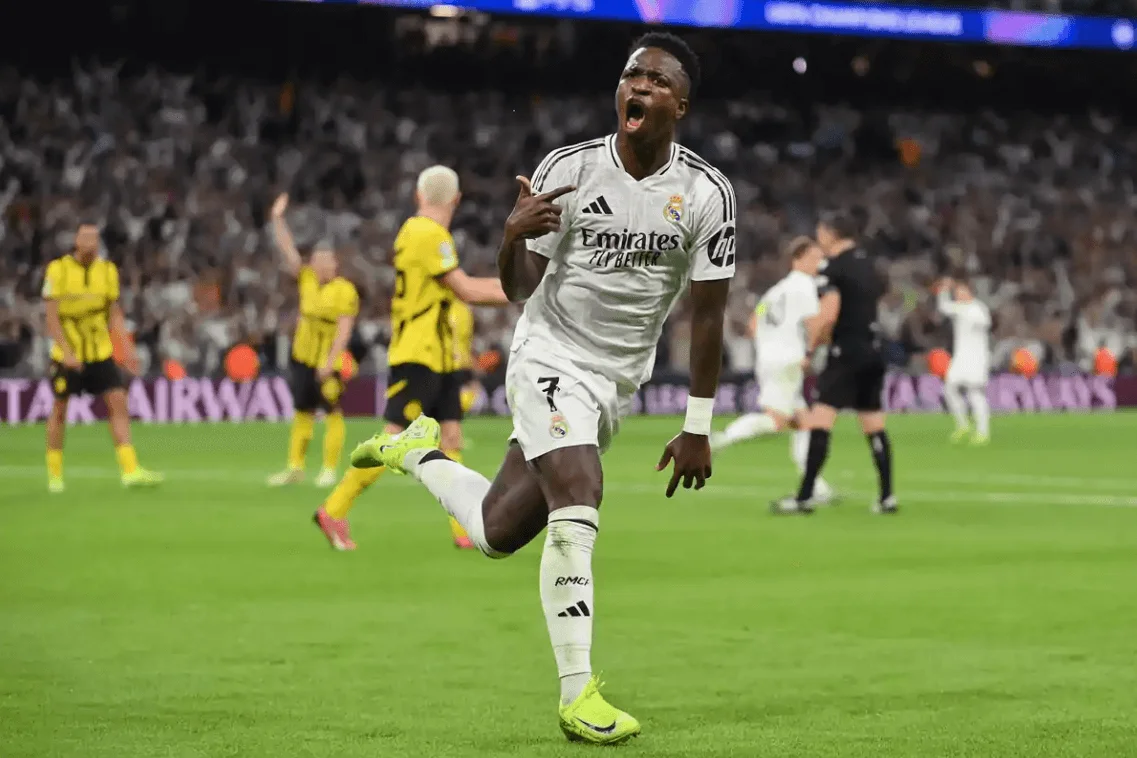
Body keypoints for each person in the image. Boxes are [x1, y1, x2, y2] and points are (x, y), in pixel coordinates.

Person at [349, 33, 734, 744]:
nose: (638, 85)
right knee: (580, 490)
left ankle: (417, 453)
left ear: (680, 105)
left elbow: (708, 315)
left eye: (656, 80)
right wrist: (510, 235)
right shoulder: (570, 169)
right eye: (631, 74)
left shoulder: (707, 194)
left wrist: (698, 424)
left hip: (616, 380)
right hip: (549, 353)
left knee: (496, 532)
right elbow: (519, 287)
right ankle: (576, 691)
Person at [312, 165, 509, 551]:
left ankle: (464, 529)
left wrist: (518, 286)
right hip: (418, 353)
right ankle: (334, 508)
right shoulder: (428, 234)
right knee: (396, 437)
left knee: (450, 437)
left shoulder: (418, 233)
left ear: (419, 196)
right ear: (456, 200)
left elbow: (459, 287)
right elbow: (466, 289)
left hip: (440, 357)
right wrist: (526, 290)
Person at [772, 212, 896, 515]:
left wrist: (810, 347)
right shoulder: (871, 265)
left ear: (830, 233)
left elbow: (828, 312)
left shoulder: (833, 268)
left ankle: (804, 497)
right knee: (874, 424)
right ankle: (887, 497)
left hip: (845, 353)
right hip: (873, 349)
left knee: (820, 421)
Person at [42, 223, 164, 493]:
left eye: (95, 239)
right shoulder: (58, 270)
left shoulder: (107, 271)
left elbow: (114, 314)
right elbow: (51, 317)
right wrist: (67, 352)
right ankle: (55, 475)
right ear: (76, 241)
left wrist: (127, 348)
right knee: (60, 409)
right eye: (86, 238)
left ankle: (130, 470)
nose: (91, 243)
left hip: (100, 351)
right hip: (67, 354)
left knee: (118, 402)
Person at [710, 236, 833, 502]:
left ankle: (816, 486)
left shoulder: (775, 291)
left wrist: (770, 345)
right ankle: (719, 440)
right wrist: (808, 351)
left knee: (803, 422)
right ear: (797, 260)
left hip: (769, 359)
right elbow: (814, 324)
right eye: (814, 258)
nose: (819, 263)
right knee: (777, 420)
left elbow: (753, 324)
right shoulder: (805, 286)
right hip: (789, 359)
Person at [266, 194, 360, 488]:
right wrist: (277, 219)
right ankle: (295, 467)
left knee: (332, 410)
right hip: (303, 354)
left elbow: (344, 329)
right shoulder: (306, 278)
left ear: (335, 264)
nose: (321, 265)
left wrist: (330, 362)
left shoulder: (345, 290)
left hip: (329, 359)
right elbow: (287, 249)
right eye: (317, 260)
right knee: (302, 410)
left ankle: (329, 468)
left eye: (326, 261)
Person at [935, 276, 992, 444]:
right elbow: (943, 307)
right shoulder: (959, 308)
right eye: (957, 292)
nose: (959, 295)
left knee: (975, 393)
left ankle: (982, 432)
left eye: (962, 292)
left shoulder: (978, 308)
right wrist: (944, 290)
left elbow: (985, 323)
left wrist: (974, 320)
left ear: (970, 292)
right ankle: (963, 425)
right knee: (949, 389)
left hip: (977, 357)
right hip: (960, 357)